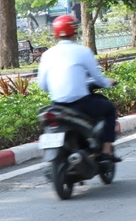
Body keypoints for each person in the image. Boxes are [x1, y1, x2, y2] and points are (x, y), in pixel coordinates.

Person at [36, 15, 120, 162]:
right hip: (81, 105)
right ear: (75, 32)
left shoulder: (47, 55)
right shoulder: (83, 51)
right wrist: (108, 82)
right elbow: (98, 78)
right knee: (109, 109)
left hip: (57, 106)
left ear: (55, 33)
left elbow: (43, 85)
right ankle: (106, 151)